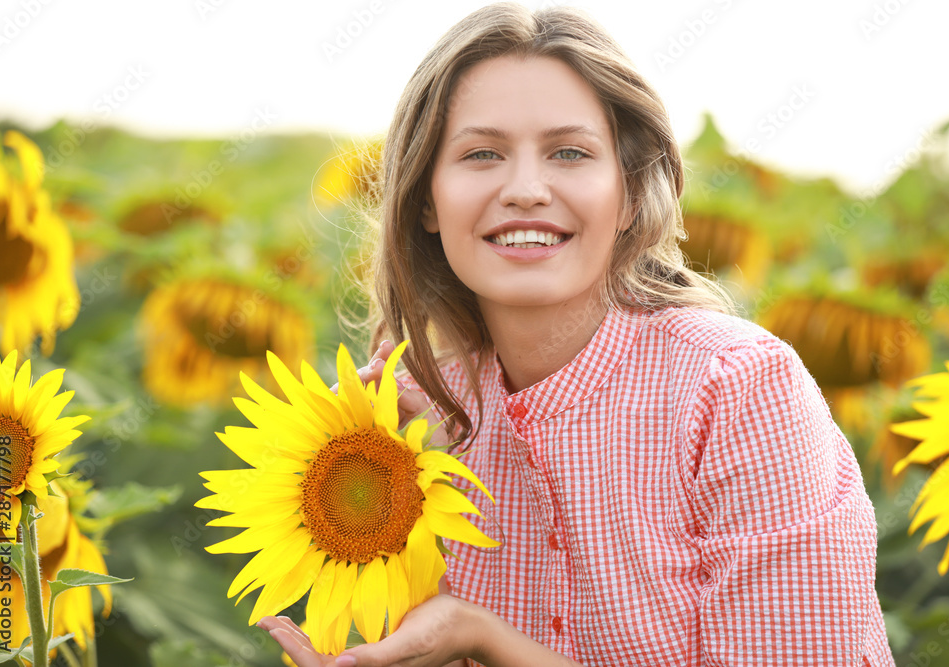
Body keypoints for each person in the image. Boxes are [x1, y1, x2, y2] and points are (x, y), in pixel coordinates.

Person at [259, 3, 896, 665]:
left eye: (570, 152)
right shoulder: (413, 429)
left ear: (626, 194)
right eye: (482, 153)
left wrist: (484, 639)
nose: (527, 189)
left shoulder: (736, 391)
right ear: (426, 199)